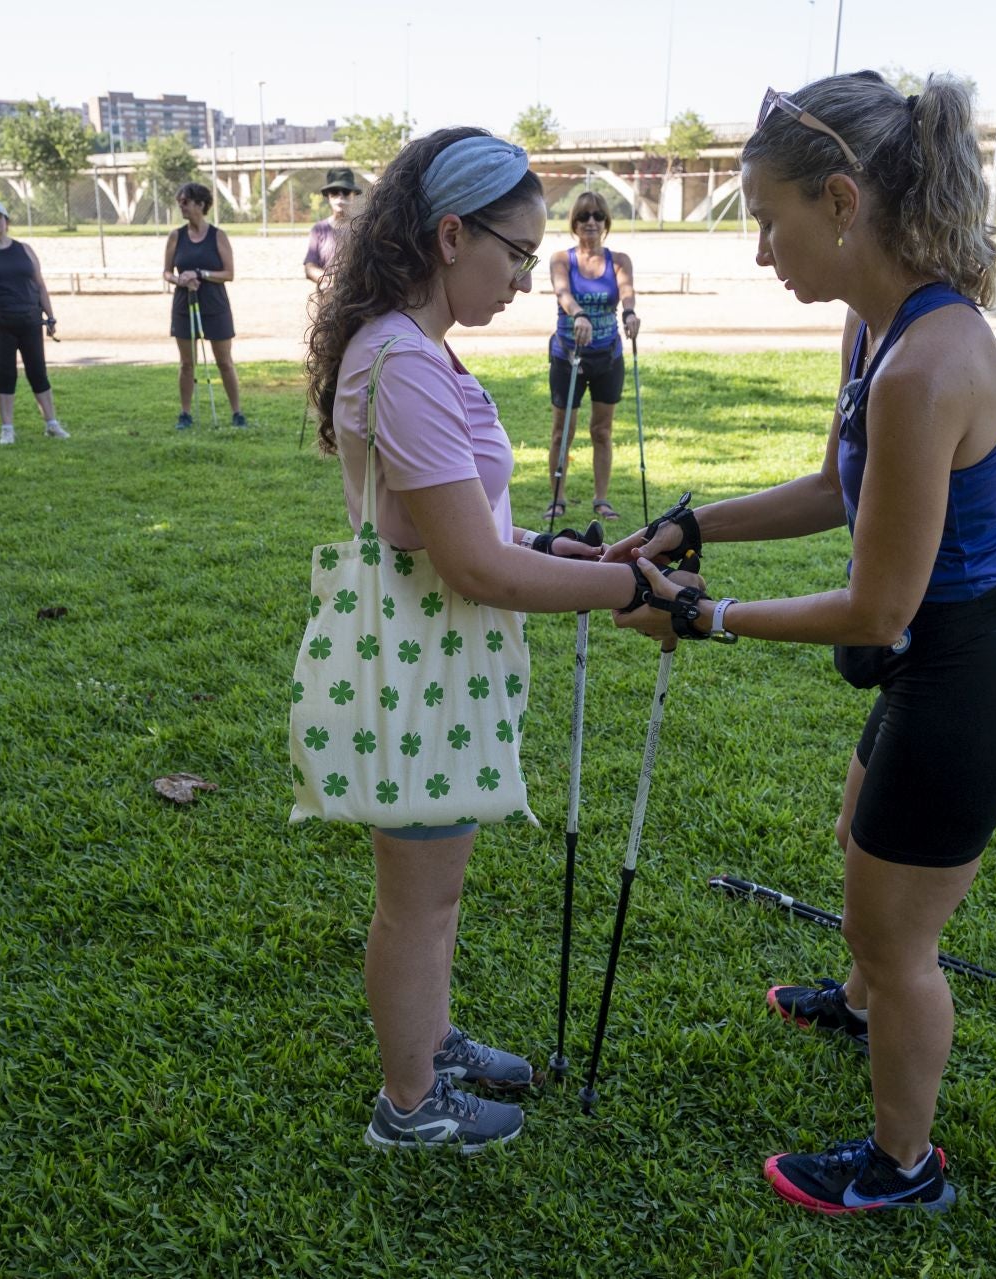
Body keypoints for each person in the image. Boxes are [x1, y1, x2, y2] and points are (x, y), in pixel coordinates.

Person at [607, 72, 996, 1213]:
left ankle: (905, 1166)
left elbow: (876, 610)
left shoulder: (925, 364)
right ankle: (857, 1004)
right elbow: (829, 485)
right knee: (857, 833)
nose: (762, 250)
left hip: (964, 683)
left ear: (843, 200)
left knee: (896, 938)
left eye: (769, 219)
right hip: (927, 670)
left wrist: (703, 614)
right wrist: (695, 524)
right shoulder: (875, 329)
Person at [306, 127, 695, 1153]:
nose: (528, 276)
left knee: (437, 883)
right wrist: (623, 589)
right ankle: (409, 1103)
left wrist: (554, 544)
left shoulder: (416, 348)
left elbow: (460, 527)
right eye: (515, 253)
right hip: (421, 654)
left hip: (439, 652)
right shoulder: (400, 360)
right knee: (418, 899)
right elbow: (473, 566)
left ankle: (429, 1043)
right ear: (447, 236)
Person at [544, 190, 639, 523]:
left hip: (607, 355)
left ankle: (602, 500)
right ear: (574, 222)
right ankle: (557, 500)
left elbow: (626, 292)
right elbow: (562, 293)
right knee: (562, 432)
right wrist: (578, 314)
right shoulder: (562, 259)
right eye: (584, 216)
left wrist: (629, 315)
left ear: (606, 222)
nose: (591, 222)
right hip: (568, 354)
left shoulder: (619, 260)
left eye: (598, 216)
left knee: (602, 431)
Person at [0, 198, 68, 444]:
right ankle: (7, 428)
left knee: (38, 370)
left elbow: (39, 284)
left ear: (6, 221)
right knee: (5, 372)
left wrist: (49, 315)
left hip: (30, 318)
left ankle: (51, 423)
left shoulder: (24, 249)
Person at [165, 182, 246, 429]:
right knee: (186, 363)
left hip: (214, 304)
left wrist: (200, 273)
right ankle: (185, 414)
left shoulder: (217, 236)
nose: (182, 207)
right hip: (184, 301)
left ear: (201, 204)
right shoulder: (176, 236)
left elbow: (228, 273)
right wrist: (180, 279)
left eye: (186, 202)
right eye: (180, 203)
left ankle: (237, 413)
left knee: (224, 361)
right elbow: (167, 273)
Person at [303, 167, 360, 287]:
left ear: (353, 195)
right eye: (334, 192)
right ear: (328, 196)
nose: (340, 197)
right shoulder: (319, 230)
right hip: (327, 296)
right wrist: (330, 281)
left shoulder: (364, 228)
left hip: (359, 298)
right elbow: (309, 266)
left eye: (345, 192)